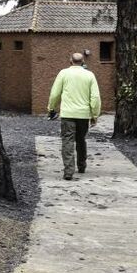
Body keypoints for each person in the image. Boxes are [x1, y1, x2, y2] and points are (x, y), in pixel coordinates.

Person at [47, 52, 101, 180]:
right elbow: (95, 97)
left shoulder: (63, 73)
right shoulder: (90, 75)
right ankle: (82, 165)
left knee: (67, 140)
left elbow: (55, 93)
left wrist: (51, 108)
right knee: (81, 139)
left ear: (70, 60)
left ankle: (68, 171)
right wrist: (94, 115)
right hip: (83, 115)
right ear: (83, 62)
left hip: (67, 114)